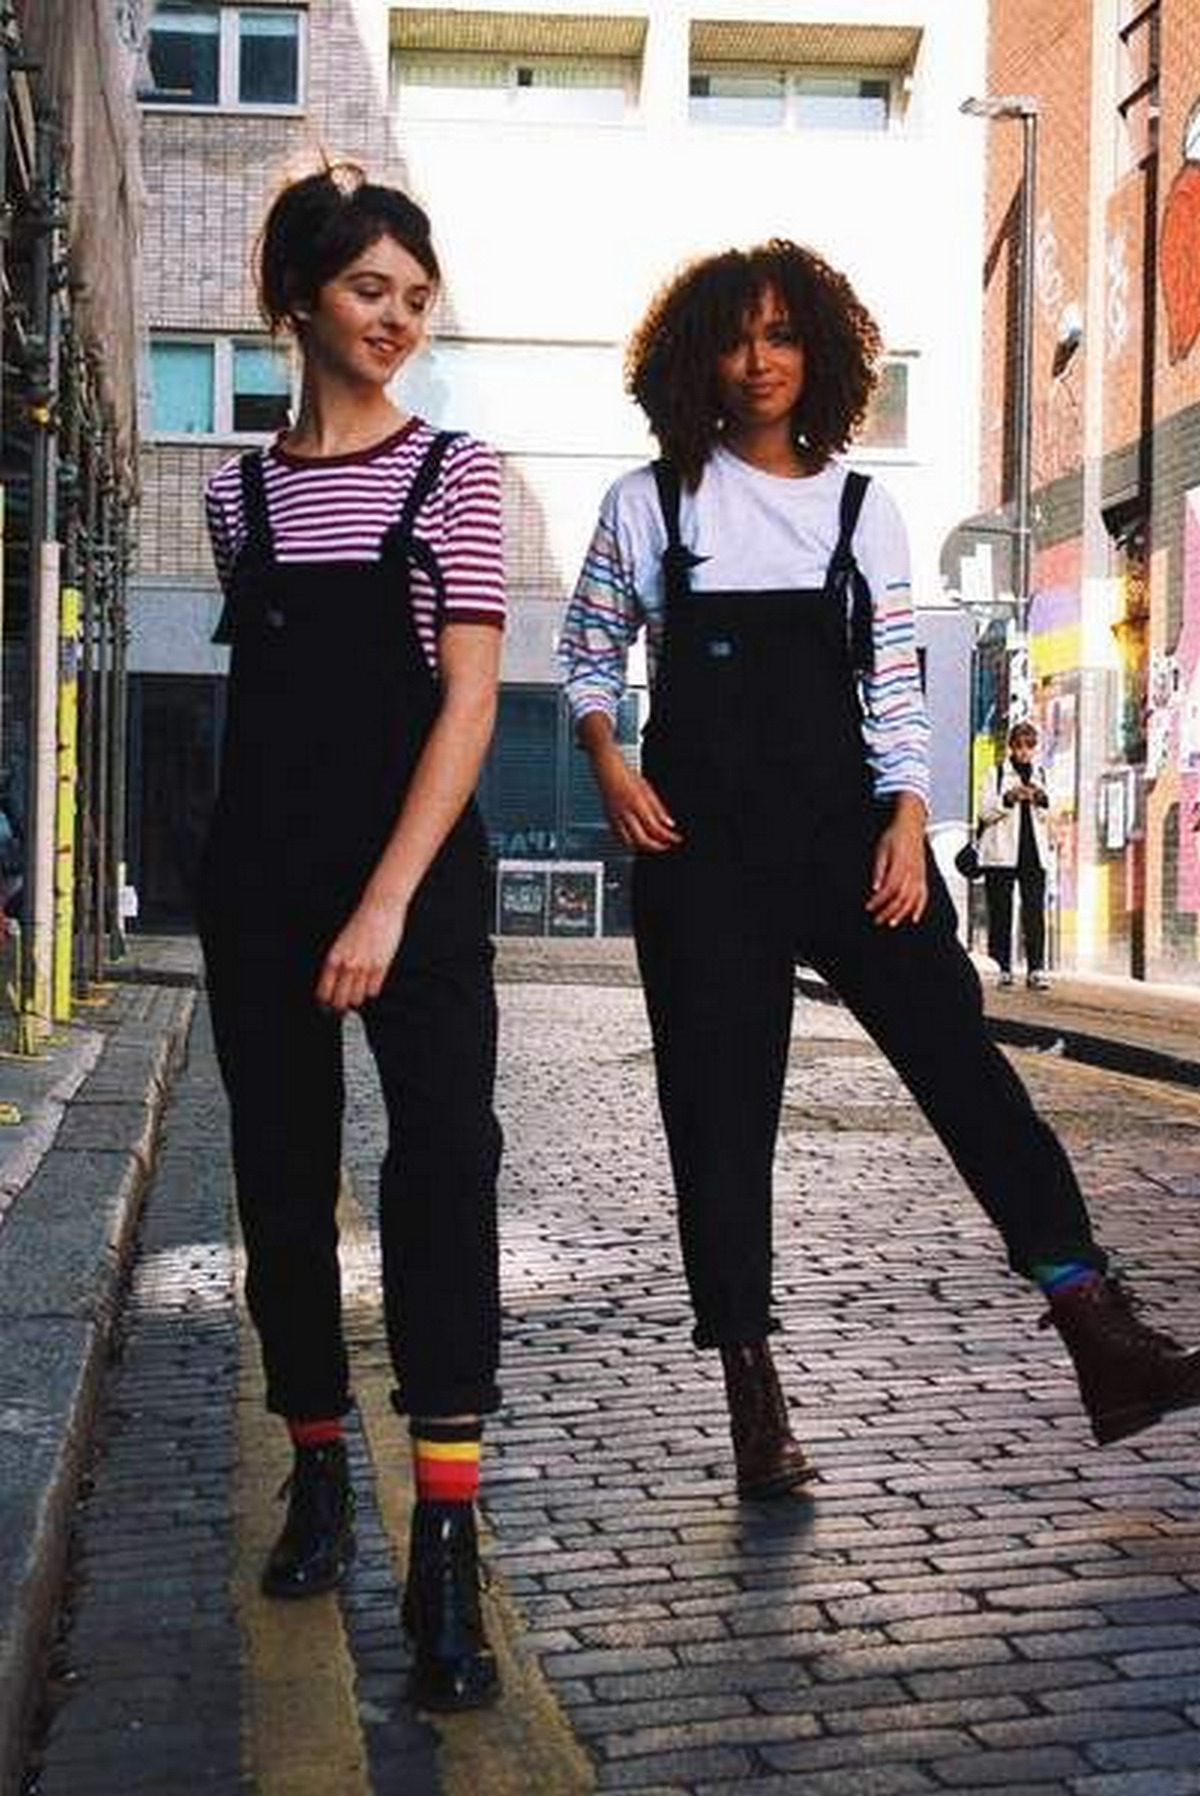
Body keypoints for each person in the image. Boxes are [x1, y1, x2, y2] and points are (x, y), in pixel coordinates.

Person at [560, 238, 1200, 1494]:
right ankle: (755, 1399)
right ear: (700, 354)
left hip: (851, 843)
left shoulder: (865, 507)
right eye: (739, 338)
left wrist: (909, 821)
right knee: (719, 1115)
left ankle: (1098, 1330)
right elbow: (588, 655)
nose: (760, 363)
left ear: (824, 354)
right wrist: (610, 760)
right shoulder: (650, 502)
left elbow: (895, 689)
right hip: (700, 856)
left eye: (784, 335)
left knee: (964, 1065)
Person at [200, 165, 503, 1709]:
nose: (397, 317)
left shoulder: (454, 472)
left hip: (422, 885)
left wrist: (386, 896)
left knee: (443, 1166)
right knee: (280, 1185)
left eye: (414, 294)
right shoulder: (233, 492)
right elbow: (268, 709)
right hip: (262, 883)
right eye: (371, 290)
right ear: (299, 303)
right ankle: (319, 1462)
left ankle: (444, 1533)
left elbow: (465, 703)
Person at [979, 721, 1053, 991]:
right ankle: (1003, 969)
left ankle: (1035, 969)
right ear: (1011, 746)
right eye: (1020, 746)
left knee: (1034, 913)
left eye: (1030, 746)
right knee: (1001, 912)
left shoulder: (1041, 773)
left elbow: (1047, 815)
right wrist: (1008, 798)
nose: (1024, 752)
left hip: (1033, 854)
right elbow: (985, 812)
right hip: (1001, 855)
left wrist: (1040, 797)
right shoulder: (996, 773)